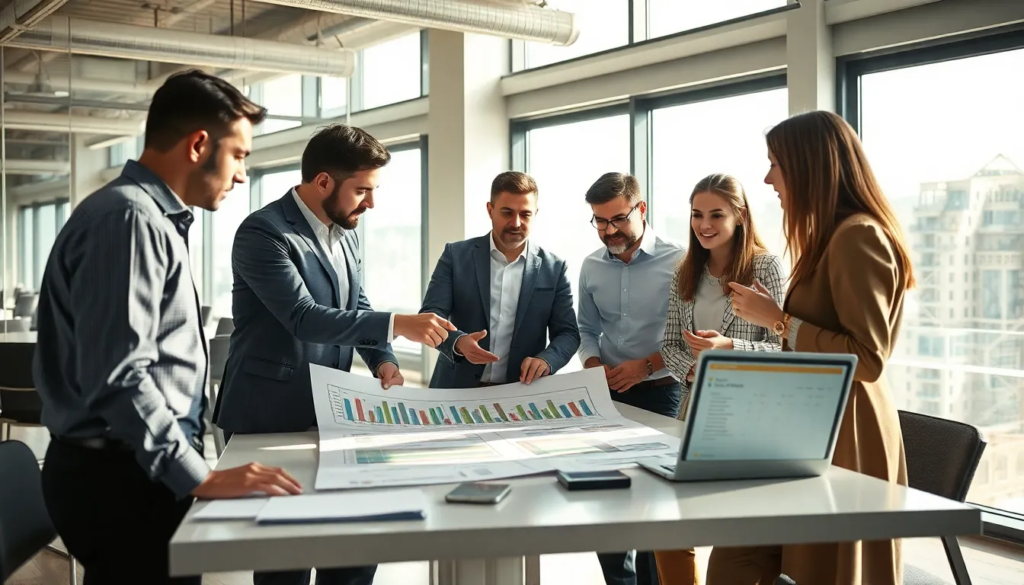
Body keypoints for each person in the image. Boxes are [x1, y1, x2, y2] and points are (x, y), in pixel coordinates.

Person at [33, 70, 302, 585]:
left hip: (132, 466)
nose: (243, 174)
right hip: (119, 477)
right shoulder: (129, 220)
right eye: (240, 155)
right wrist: (198, 475)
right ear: (199, 145)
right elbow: (120, 375)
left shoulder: (146, 218)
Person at [213, 123, 454, 585]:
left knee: (356, 547)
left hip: (334, 413)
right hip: (268, 415)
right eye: (362, 190)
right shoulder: (262, 232)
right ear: (323, 181)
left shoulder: (346, 230)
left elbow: (355, 302)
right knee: (286, 558)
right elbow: (304, 317)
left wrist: (383, 358)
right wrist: (400, 324)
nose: (371, 203)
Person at [707, 110, 914, 585]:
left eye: (775, 164)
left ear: (807, 166)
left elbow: (867, 358)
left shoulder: (858, 237)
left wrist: (777, 320)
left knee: (814, 568)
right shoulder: (832, 237)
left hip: (847, 433)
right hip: (812, 424)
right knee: (740, 556)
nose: (767, 178)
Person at [655, 173, 786, 584]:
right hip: (694, 412)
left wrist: (728, 351)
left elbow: (787, 349)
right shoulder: (685, 271)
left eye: (716, 214)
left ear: (740, 216)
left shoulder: (765, 266)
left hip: (751, 418)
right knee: (671, 523)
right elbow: (671, 344)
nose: (704, 224)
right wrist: (696, 369)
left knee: (736, 534)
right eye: (697, 214)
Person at [576, 172, 685, 585]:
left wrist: (647, 365)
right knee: (609, 497)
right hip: (607, 398)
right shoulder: (590, 267)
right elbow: (586, 330)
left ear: (641, 209)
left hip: (663, 393)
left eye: (617, 219)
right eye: (599, 222)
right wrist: (591, 366)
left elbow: (688, 336)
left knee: (654, 503)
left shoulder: (680, 262)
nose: (608, 230)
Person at [420, 171, 580, 387]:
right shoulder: (455, 255)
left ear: (536, 214)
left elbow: (568, 333)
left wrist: (546, 360)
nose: (516, 223)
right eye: (507, 212)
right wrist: (457, 341)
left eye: (525, 214)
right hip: (455, 387)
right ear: (490, 210)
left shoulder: (554, 268)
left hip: (520, 392)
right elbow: (431, 315)